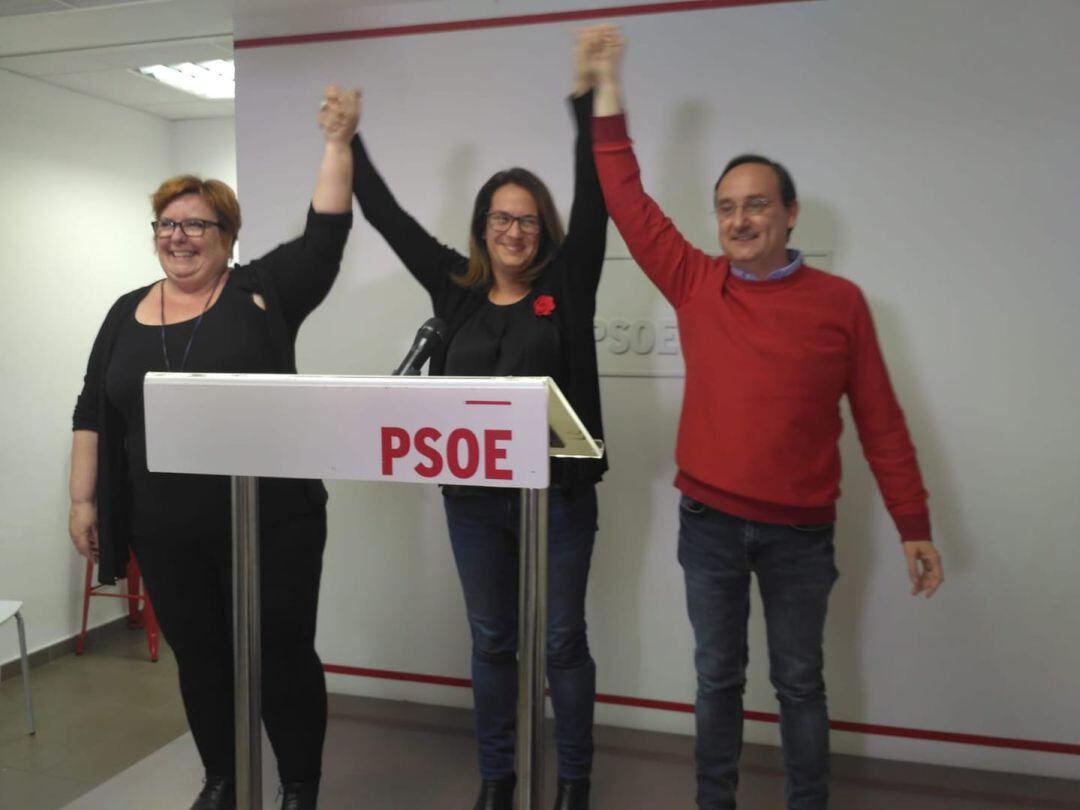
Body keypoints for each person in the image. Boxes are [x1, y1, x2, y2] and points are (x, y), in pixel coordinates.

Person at [581, 25, 943, 810]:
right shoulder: (695, 282)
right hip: (708, 520)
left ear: (789, 214)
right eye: (725, 209)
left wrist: (914, 523)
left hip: (800, 535)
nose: (739, 220)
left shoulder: (840, 305)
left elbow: (881, 420)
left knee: (800, 684)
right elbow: (628, 201)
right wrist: (608, 89)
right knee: (717, 679)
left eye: (755, 206)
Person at [68, 85, 359, 810]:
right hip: (164, 528)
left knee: (280, 654)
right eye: (167, 223)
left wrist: (338, 142)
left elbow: (324, 235)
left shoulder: (262, 293)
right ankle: (223, 778)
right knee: (200, 659)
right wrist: (82, 497)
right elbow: (93, 409)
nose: (179, 236)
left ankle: (298, 785)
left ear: (228, 235)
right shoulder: (123, 311)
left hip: (272, 522)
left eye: (197, 224)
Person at [348, 36, 608, 810]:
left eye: (527, 220)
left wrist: (586, 102)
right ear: (482, 225)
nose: (515, 232)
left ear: (543, 229)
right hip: (474, 500)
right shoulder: (455, 293)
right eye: (501, 218)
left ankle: (574, 784)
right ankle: (497, 778)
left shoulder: (569, 283)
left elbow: (595, 198)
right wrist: (347, 142)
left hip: (558, 498)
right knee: (494, 642)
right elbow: (389, 219)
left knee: (561, 642)